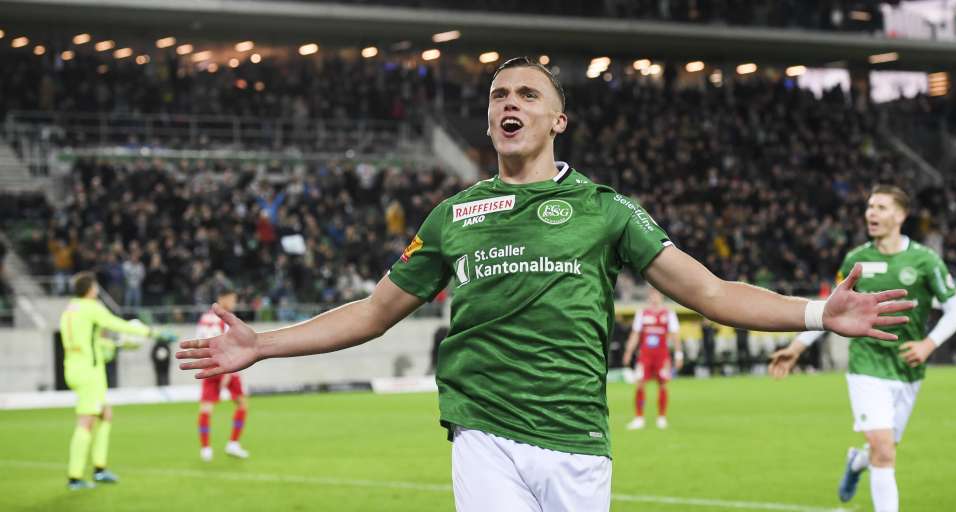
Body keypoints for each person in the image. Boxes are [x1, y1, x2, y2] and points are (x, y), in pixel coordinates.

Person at [178, 57, 912, 512]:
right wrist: (263, 345)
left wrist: (818, 313)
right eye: (500, 94)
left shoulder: (605, 209)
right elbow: (374, 312)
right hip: (484, 431)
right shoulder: (453, 216)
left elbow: (712, 293)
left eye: (528, 94)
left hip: (577, 439)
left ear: (558, 119)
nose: (510, 102)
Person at [770, 185, 956, 512]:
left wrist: (928, 344)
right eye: (870, 206)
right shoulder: (856, 260)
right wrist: (797, 347)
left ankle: (856, 462)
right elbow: (829, 311)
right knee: (884, 450)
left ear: (900, 215)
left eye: (881, 207)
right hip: (866, 366)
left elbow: (955, 311)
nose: (871, 213)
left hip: (908, 367)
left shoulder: (925, 260)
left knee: (882, 450)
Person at [60, 271, 160, 490]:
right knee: (86, 421)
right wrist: (149, 332)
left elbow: (89, 341)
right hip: (89, 372)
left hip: (75, 367)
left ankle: (99, 468)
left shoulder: (69, 310)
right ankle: (75, 477)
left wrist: (115, 346)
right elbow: (115, 323)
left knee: (105, 414)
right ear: (91, 289)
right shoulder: (91, 307)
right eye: (95, 287)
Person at [196, 288, 249, 461]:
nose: (234, 302)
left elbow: (199, 341)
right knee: (242, 404)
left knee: (206, 408)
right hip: (226, 366)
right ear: (222, 298)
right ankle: (233, 443)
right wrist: (227, 371)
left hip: (208, 365)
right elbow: (226, 347)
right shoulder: (226, 319)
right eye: (232, 299)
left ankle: (206, 449)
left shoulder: (204, 318)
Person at [622, 287, 682, 430]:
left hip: (662, 356)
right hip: (645, 355)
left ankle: (661, 417)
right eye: (652, 295)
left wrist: (679, 354)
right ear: (649, 297)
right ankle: (639, 418)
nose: (654, 298)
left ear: (661, 297)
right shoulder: (642, 313)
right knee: (640, 384)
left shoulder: (669, 314)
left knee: (662, 384)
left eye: (657, 295)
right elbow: (635, 334)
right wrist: (628, 352)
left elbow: (675, 336)